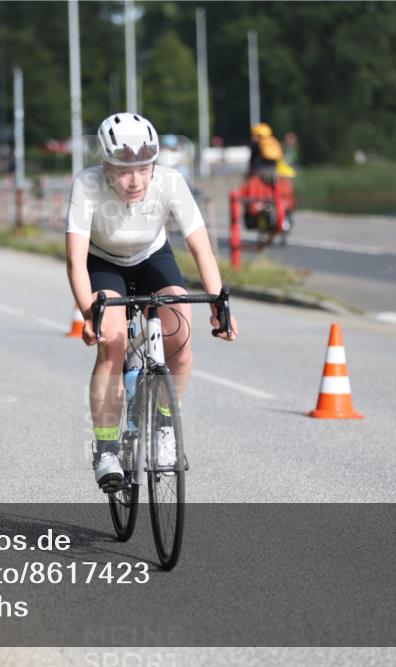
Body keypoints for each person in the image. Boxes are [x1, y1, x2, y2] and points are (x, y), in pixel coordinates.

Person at [66, 112, 238, 492]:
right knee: (112, 341)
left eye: (144, 169)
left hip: (152, 256)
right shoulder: (87, 184)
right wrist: (86, 314)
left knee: (180, 329)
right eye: (124, 170)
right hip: (103, 262)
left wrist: (218, 305)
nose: (136, 180)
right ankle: (107, 448)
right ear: (105, 165)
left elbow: (200, 247)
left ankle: (164, 426)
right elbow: (76, 260)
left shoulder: (171, 182)